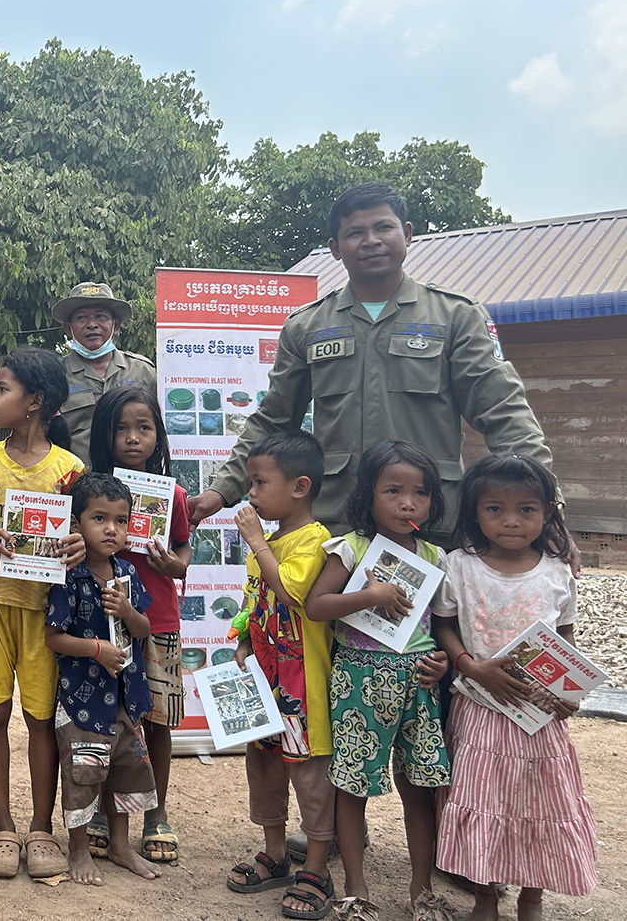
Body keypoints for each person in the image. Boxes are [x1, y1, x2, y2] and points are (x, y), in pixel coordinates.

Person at [190, 184, 560, 552]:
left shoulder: (455, 316)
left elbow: (505, 413)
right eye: (355, 233)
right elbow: (273, 420)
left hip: (430, 522)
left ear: (408, 234)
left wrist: (548, 509)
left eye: (383, 227)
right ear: (335, 249)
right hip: (337, 522)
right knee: (329, 610)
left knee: (434, 613)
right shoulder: (307, 326)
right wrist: (221, 490)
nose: (371, 240)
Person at [432, 454, 597, 921]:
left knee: (542, 804)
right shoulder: (459, 567)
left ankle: (532, 897)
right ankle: (485, 896)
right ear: (474, 513)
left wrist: (569, 694)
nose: (510, 520)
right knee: (480, 801)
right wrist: (470, 665)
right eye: (494, 509)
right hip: (480, 706)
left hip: (538, 715)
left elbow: (565, 640)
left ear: (547, 512)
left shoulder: (557, 572)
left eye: (527, 509)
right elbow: (444, 625)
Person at [305, 442, 453, 921]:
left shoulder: (435, 556)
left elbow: (442, 627)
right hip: (359, 681)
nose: (408, 503)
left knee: (419, 786)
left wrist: (443, 663)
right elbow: (318, 606)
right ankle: (355, 888)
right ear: (367, 494)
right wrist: (368, 596)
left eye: (420, 493)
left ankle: (421, 889)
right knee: (353, 785)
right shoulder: (352, 548)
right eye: (393, 491)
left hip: (419, 683)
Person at [0, 346, 85, 881]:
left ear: (34, 402)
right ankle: (2, 827)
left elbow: (87, 534)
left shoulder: (71, 471)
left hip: (46, 615)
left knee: (40, 720)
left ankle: (40, 829)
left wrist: (79, 544)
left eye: (1, 389)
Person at [224, 431, 336, 920]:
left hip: (302, 682)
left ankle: (316, 865)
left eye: (259, 482)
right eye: (249, 482)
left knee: (308, 773)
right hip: (265, 678)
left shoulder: (316, 541)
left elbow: (291, 591)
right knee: (263, 762)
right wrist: (245, 637)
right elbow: (257, 601)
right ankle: (274, 852)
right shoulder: (267, 542)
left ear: (300, 487)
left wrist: (254, 542)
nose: (250, 494)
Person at [85, 386, 190, 863]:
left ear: (158, 434)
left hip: (158, 621)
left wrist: (173, 564)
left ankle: (156, 812)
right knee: (108, 718)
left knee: (157, 721)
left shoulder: (175, 495)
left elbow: (185, 552)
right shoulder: (91, 492)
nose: (132, 438)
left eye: (144, 428)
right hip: (102, 619)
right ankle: (106, 811)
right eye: (121, 428)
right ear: (105, 435)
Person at [44, 472, 159, 886]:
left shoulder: (127, 571)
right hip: (82, 701)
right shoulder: (68, 575)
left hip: (127, 699)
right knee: (83, 774)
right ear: (76, 524)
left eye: (121, 520)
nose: (112, 529)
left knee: (126, 770)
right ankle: (77, 849)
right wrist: (96, 649)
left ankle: (120, 844)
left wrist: (128, 611)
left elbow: (145, 629)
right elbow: (53, 637)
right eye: (99, 519)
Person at [52, 282, 157, 470]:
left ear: (115, 325)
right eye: (82, 318)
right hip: (76, 483)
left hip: (134, 484)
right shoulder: (55, 376)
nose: (92, 324)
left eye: (101, 316)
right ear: (69, 328)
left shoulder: (143, 371)